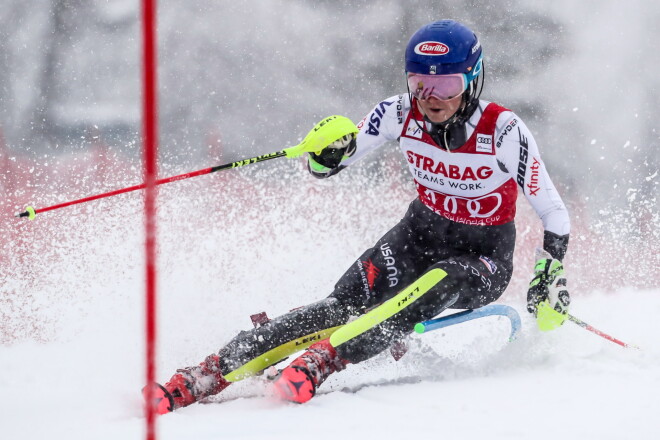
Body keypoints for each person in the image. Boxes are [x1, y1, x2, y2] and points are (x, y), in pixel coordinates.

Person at [144, 19, 571, 413]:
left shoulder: (502, 130)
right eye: (420, 84)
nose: (431, 99)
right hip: (419, 235)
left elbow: (552, 210)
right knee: (343, 304)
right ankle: (207, 373)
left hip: (482, 258)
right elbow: (329, 165)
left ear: (473, 81)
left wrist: (548, 275)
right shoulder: (398, 113)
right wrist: (324, 152)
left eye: (447, 85)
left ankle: (327, 358)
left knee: (444, 276)